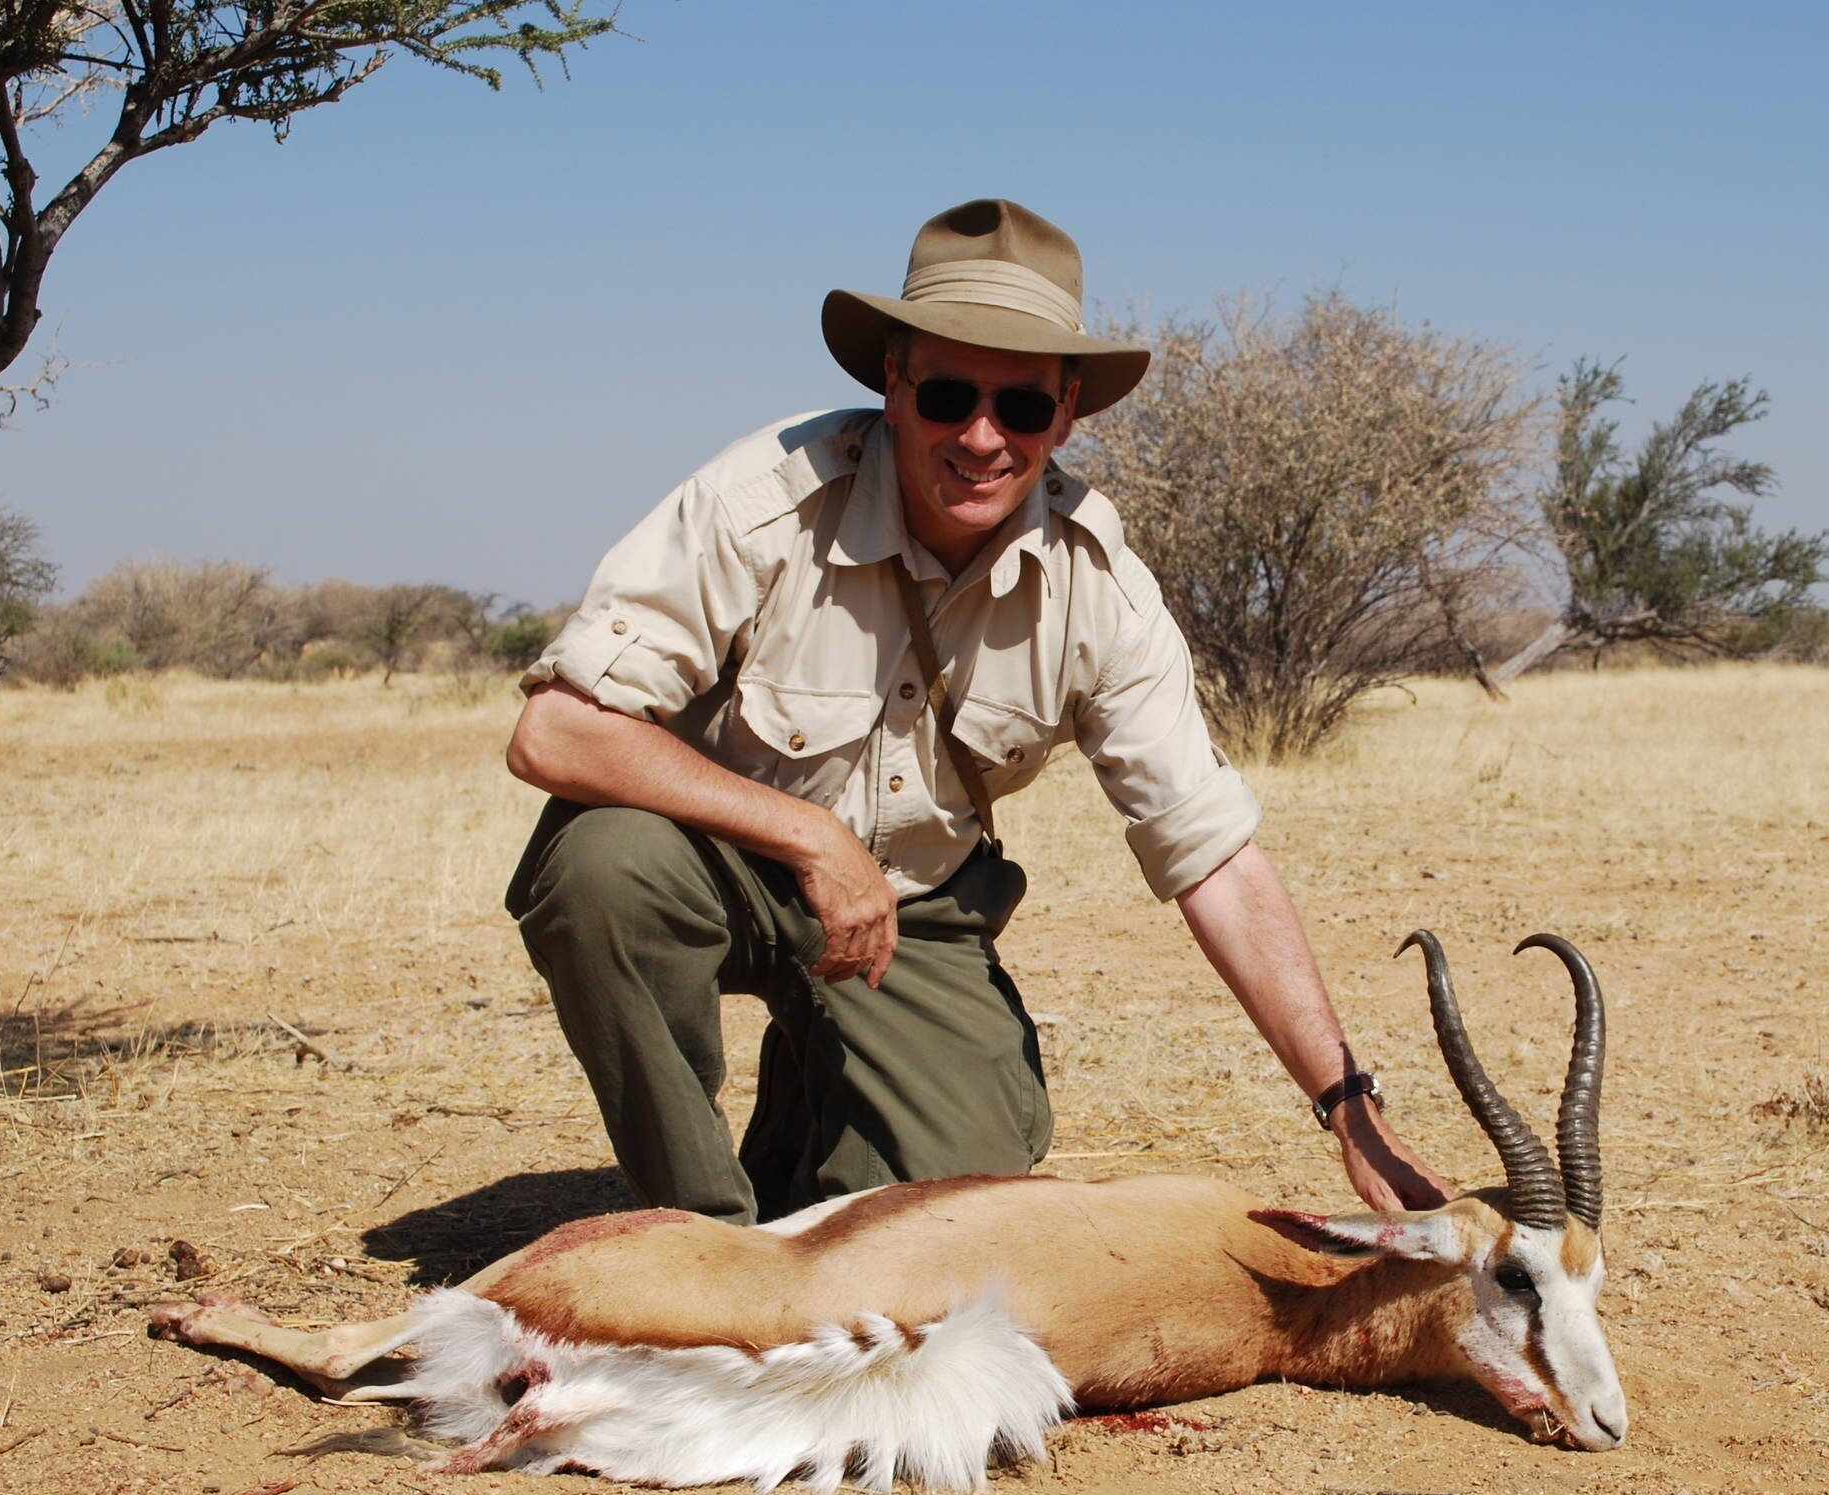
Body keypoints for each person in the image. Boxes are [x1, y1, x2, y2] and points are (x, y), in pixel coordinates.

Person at [504, 198, 1447, 1224]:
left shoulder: (1098, 583)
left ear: (1068, 413)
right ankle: (696, 1241)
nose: (983, 437)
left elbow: (1211, 856)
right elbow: (555, 731)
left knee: (960, 1216)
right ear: (893, 386)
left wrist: (1347, 1103)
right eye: (949, 394)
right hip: (716, 870)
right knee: (602, 871)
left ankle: (815, 1113)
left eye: (1023, 408)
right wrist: (810, 836)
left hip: (912, 915)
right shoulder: (760, 504)